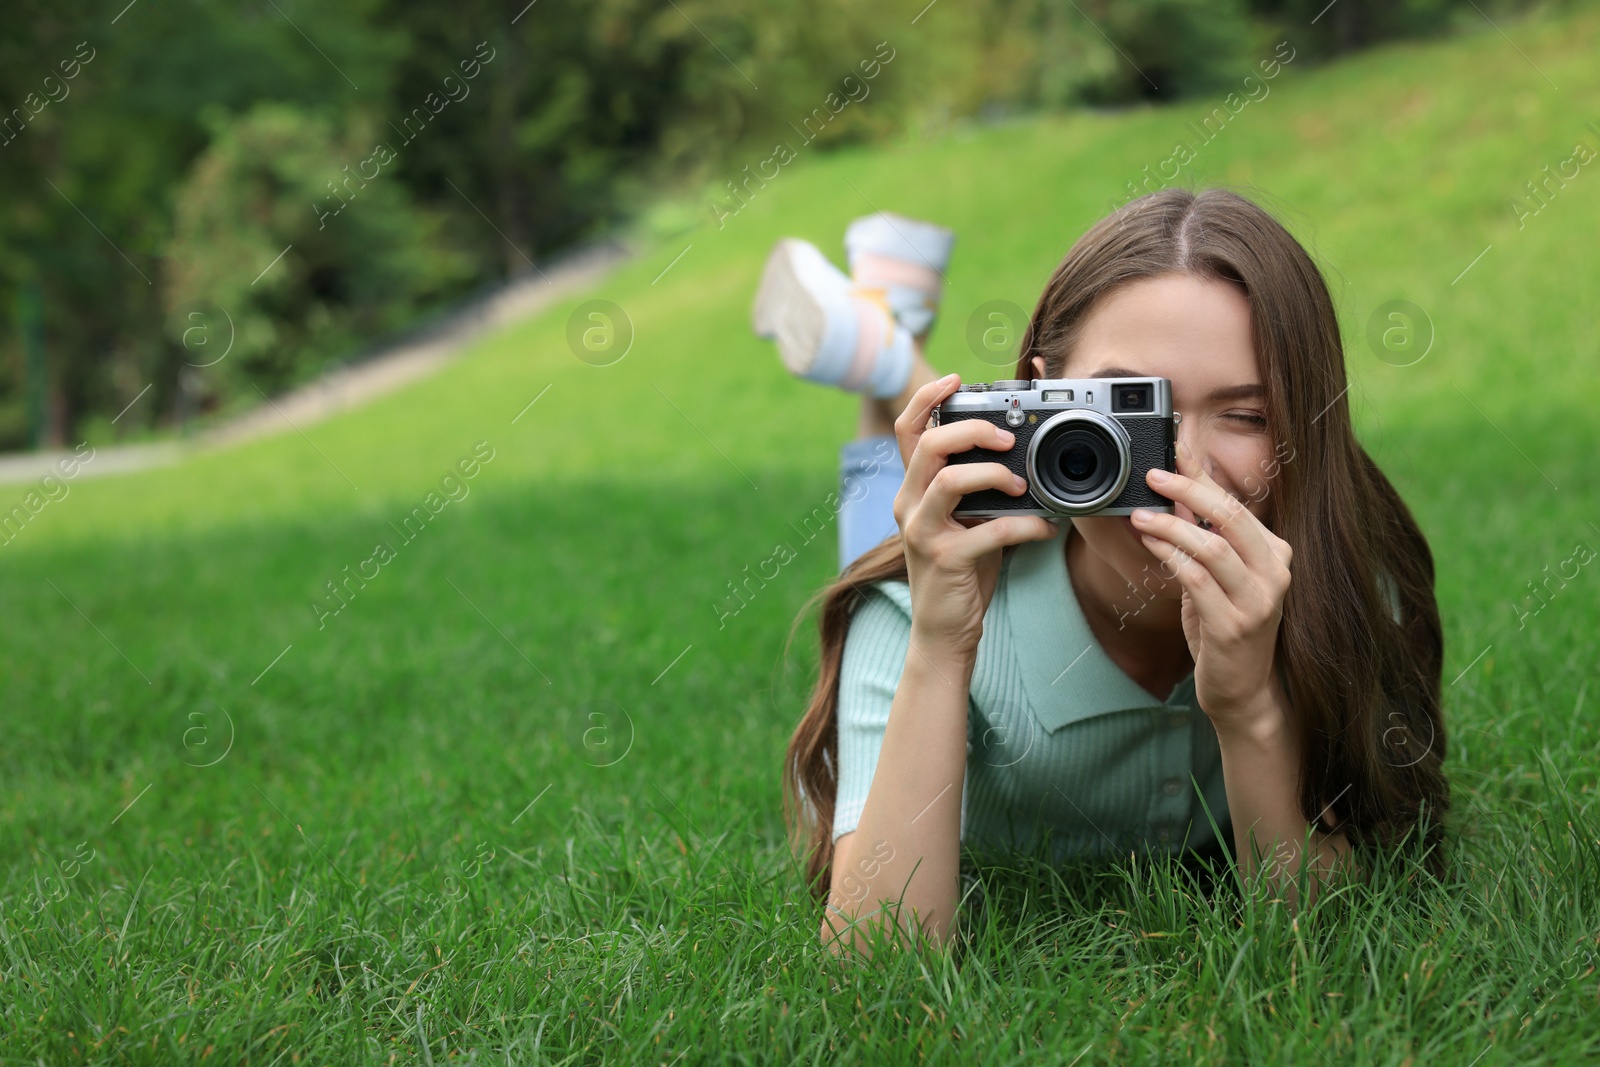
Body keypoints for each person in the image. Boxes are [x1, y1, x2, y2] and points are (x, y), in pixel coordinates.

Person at [754, 189, 1450, 954]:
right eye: (1127, 412)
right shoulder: (905, 615)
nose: (1177, 464)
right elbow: (874, 963)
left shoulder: (1338, 594)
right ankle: (886, 351)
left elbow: (1333, 951)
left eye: (1248, 416)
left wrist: (1250, 704)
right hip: (943, 600)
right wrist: (941, 645)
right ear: (1040, 401)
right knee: (895, 518)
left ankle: (885, 329)